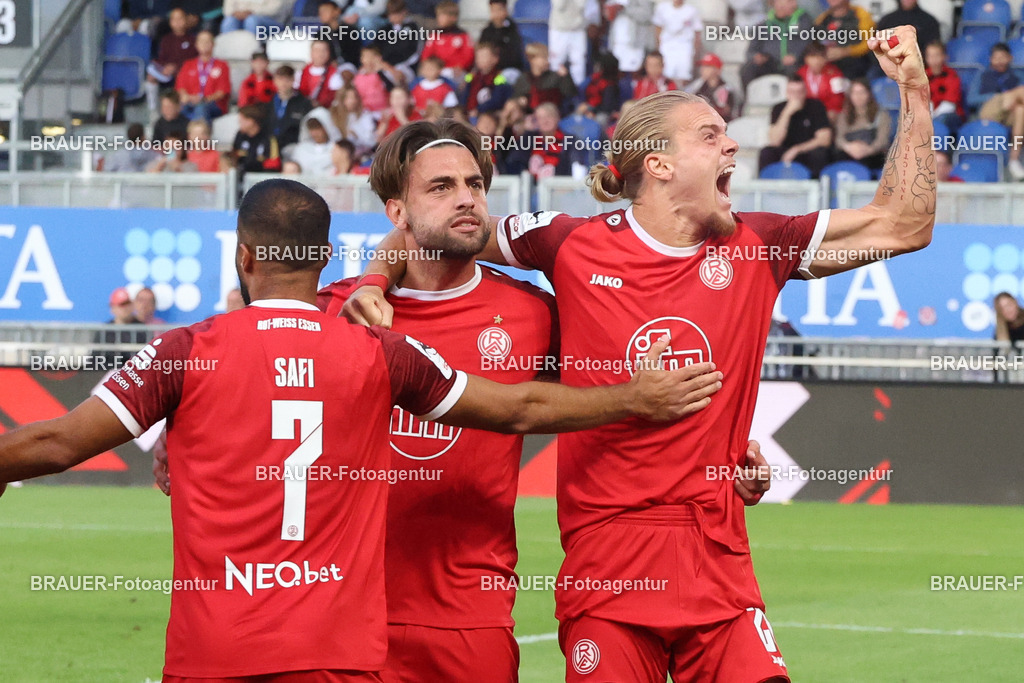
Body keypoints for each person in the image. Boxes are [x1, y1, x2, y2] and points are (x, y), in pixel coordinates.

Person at [342, 25, 935, 681]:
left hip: (720, 566)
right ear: (658, 164)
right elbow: (434, 233)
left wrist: (913, 91)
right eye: (710, 135)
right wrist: (374, 278)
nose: (732, 143)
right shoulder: (567, 243)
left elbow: (904, 223)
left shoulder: (760, 246)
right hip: (610, 573)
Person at [0, 177, 718, 677]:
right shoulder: (380, 352)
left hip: (214, 650)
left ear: (244, 256)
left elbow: (56, 442)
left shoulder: (184, 351)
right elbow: (519, 407)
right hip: (339, 652)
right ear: (323, 261)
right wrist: (636, 397)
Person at [310, 118, 769, 682]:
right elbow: (237, 382)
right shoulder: (336, 314)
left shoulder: (533, 315)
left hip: (472, 620)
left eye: (475, 185)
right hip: (343, 614)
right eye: (441, 187)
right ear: (396, 212)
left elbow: (625, 389)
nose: (466, 199)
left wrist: (718, 453)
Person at [759, 74, 833, 177]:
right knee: (767, 152)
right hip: (784, 150)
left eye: (800, 92)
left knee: (820, 154)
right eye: (792, 92)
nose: (796, 96)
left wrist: (797, 149)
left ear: (805, 92)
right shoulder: (778, 108)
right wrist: (787, 113)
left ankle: (816, 189)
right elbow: (775, 141)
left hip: (807, 150)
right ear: (786, 93)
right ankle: (765, 187)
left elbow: (825, 139)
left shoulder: (816, 106)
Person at [969, 43, 1024, 181]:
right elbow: (971, 99)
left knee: (1020, 110)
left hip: (1009, 114)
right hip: (988, 112)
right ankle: (1006, 99)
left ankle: (1013, 160)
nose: (999, 61)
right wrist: (996, 98)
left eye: (1003, 57)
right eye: (996, 57)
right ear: (990, 59)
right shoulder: (982, 75)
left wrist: (1009, 100)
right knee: (1019, 92)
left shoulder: (1017, 76)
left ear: (1010, 58)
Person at [741, 0, 814, 89]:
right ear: (776, 3)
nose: (794, 4)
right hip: (770, 65)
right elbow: (751, 51)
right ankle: (751, 99)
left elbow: (810, 44)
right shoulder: (764, 25)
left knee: (792, 70)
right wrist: (756, 56)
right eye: (789, 1)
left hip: (795, 64)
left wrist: (796, 56)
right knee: (748, 69)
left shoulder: (804, 21)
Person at [833, 78, 891, 171]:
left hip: (872, 153)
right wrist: (849, 147)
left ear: (869, 94)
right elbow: (839, 138)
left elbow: (882, 140)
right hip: (849, 152)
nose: (858, 96)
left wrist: (868, 150)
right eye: (855, 93)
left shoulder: (881, 114)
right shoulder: (844, 116)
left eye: (862, 92)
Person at [146, 8, 197, 112]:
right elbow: (161, 58)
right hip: (167, 73)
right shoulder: (166, 39)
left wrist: (176, 67)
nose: (177, 22)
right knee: (151, 77)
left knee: (183, 75)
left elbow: (194, 61)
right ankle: (152, 110)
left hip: (184, 74)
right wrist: (165, 67)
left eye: (180, 19)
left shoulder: (192, 40)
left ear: (186, 20)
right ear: (170, 22)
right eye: (174, 19)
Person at [175, 30, 231, 122]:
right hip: (190, 101)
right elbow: (181, 87)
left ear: (213, 44)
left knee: (201, 108)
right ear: (196, 45)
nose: (204, 44)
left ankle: (199, 136)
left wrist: (203, 99)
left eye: (207, 41)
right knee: (177, 109)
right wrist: (188, 97)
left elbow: (221, 92)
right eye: (201, 41)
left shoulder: (222, 65)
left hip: (212, 104)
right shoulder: (188, 64)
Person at [814, 0, 874, 79]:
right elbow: (814, 45)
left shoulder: (861, 15)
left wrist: (847, 51)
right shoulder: (822, 19)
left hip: (858, 70)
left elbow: (870, 44)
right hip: (829, 71)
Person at [513, 43, 578, 116]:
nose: (547, 61)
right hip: (530, 117)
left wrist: (566, 77)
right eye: (543, 57)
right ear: (532, 59)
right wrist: (520, 101)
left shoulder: (556, 76)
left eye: (547, 57)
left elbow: (571, 95)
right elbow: (516, 97)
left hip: (553, 116)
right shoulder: (523, 79)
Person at [421, 1, 475, 80]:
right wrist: (429, 67)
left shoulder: (462, 35)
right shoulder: (435, 35)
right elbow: (426, 55)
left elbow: (468, 55)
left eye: (442, 16)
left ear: (453, 18)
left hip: (456, 71)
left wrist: (461, 66)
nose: (439, 19)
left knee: (462, 79)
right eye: (438, 16)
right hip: (436, 71)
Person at [652, 0, 703, 86]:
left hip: (684, 47)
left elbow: (697, 32)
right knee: (665, 76)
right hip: (667, 46)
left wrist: (696, 52)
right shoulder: (662, 8)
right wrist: (659, 46)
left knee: (684, 76)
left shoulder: (692, 10)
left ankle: (682, 97)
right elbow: (658, 28)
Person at [798, 41, 847, 122]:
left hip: (828, 115)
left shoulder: (835, 73)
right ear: (806, 58)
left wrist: (827, 111)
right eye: (813, 56)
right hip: (806, 113)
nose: (817, 60)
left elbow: (837, 98)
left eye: (821, 56)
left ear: (826, 58)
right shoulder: (800, 74)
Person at [267, 65, 314, 150]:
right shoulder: (268, 101)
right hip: (270, 146)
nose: (284, 83)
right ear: (275, 81)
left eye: (287, 80)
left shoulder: (303, 103)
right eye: (280, 79)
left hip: (293, 147)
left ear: (293, 80)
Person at [604, 0, 654, 78]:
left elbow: (647, 15)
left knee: (634, 75)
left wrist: (624, 8)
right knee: (617, 75)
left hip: (634, 44)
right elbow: (607, 16)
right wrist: (611, 11)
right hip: (616, 44)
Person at [375, 0, 422, 84]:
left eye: (395, 14)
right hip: (384, 64)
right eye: (390, 14)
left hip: (406, 66)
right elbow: (376, 47)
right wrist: (383, 63)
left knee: (395, 75)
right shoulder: (385, 29)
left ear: (404, 12)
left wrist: (392, 66)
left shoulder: (412, 27)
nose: (392, 17)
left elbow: (411, 52)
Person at [463, 42, 513, 118]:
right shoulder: (472, 76)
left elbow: (497, 100)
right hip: (469, 113)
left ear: (495, 59)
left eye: (483, 56)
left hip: (488, 114)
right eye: (477, 57)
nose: (479, 59)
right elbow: (464, 95)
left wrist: (478, 110)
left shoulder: (499, 77)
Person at [231, 104, 282, 177]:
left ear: (251, 121)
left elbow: (274, 165)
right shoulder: (240, 136)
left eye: (241, 120)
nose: (239, 123)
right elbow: (233, 158)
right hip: (241, 178)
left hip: (262, 179)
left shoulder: (269, 138)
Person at [685, 53, 738, 122]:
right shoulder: (698, 85)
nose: (702, 69)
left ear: (717, 70)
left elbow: (724, 111)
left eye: (707, 66)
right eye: (702, 66)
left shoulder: (725, 88)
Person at [925, 41, 963, 134]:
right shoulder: (922, 76)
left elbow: (949, 105)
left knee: (942, 119)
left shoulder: (952, 76)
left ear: (944, 57)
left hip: (950, 115)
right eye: (930, 56)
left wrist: (932, 118)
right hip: (928, 113)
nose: (933, 59)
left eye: (936, 55)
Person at [353, 45, 403, 116]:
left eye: (368, 55)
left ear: (378, 57)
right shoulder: (359, 75)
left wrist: (383, 69)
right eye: (363, 56)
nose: (365, 59)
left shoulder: (385, 71)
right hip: (366, 113)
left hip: (387, 111)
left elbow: (396, 84)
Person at [330, 86, 378, 158]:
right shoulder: (336, 118)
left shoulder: (364, 115)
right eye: (349, 98)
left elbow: (371, 142)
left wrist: (356, 136)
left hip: (365, 153)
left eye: (354, 97)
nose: (353, 101)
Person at [527, 102, 572, 179]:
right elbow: (516, 164)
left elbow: (571, 168)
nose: (545, 121)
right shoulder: (529, 139)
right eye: (540, 118)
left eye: (549, 116)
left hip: (559, 186)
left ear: (557, 118)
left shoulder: (570, 141)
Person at [478, 0, 524, 75]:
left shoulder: (512, 31)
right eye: (493, 10)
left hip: (508, 70)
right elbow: (481, 51)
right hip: (488, 69)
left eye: (498, 10)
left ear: (505, 11)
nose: (496, 14)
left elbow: (515, 57)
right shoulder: (486, 32)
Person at [549, 0, 588, 86]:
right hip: (559, 29)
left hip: (578, 30)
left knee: (578, 65)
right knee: (556, 64)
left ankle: (578, 91)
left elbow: (581, 5)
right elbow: (559, 5)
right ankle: (555, 90)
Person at [297, 40, 342, 110]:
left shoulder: (335, 74)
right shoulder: (301, 72)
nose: (321, 54)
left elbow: (337, 98)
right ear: (311, 53)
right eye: (317, 50)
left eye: (324, 50)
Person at [220, 0, 286, 34]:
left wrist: (252, 11)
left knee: (251, 20)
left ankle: (252, 52)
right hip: (240, 18)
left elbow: (274, 9)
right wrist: (236, 13)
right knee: (229, 21)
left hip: (270, 21)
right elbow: (226, 10)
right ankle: (228, 53)